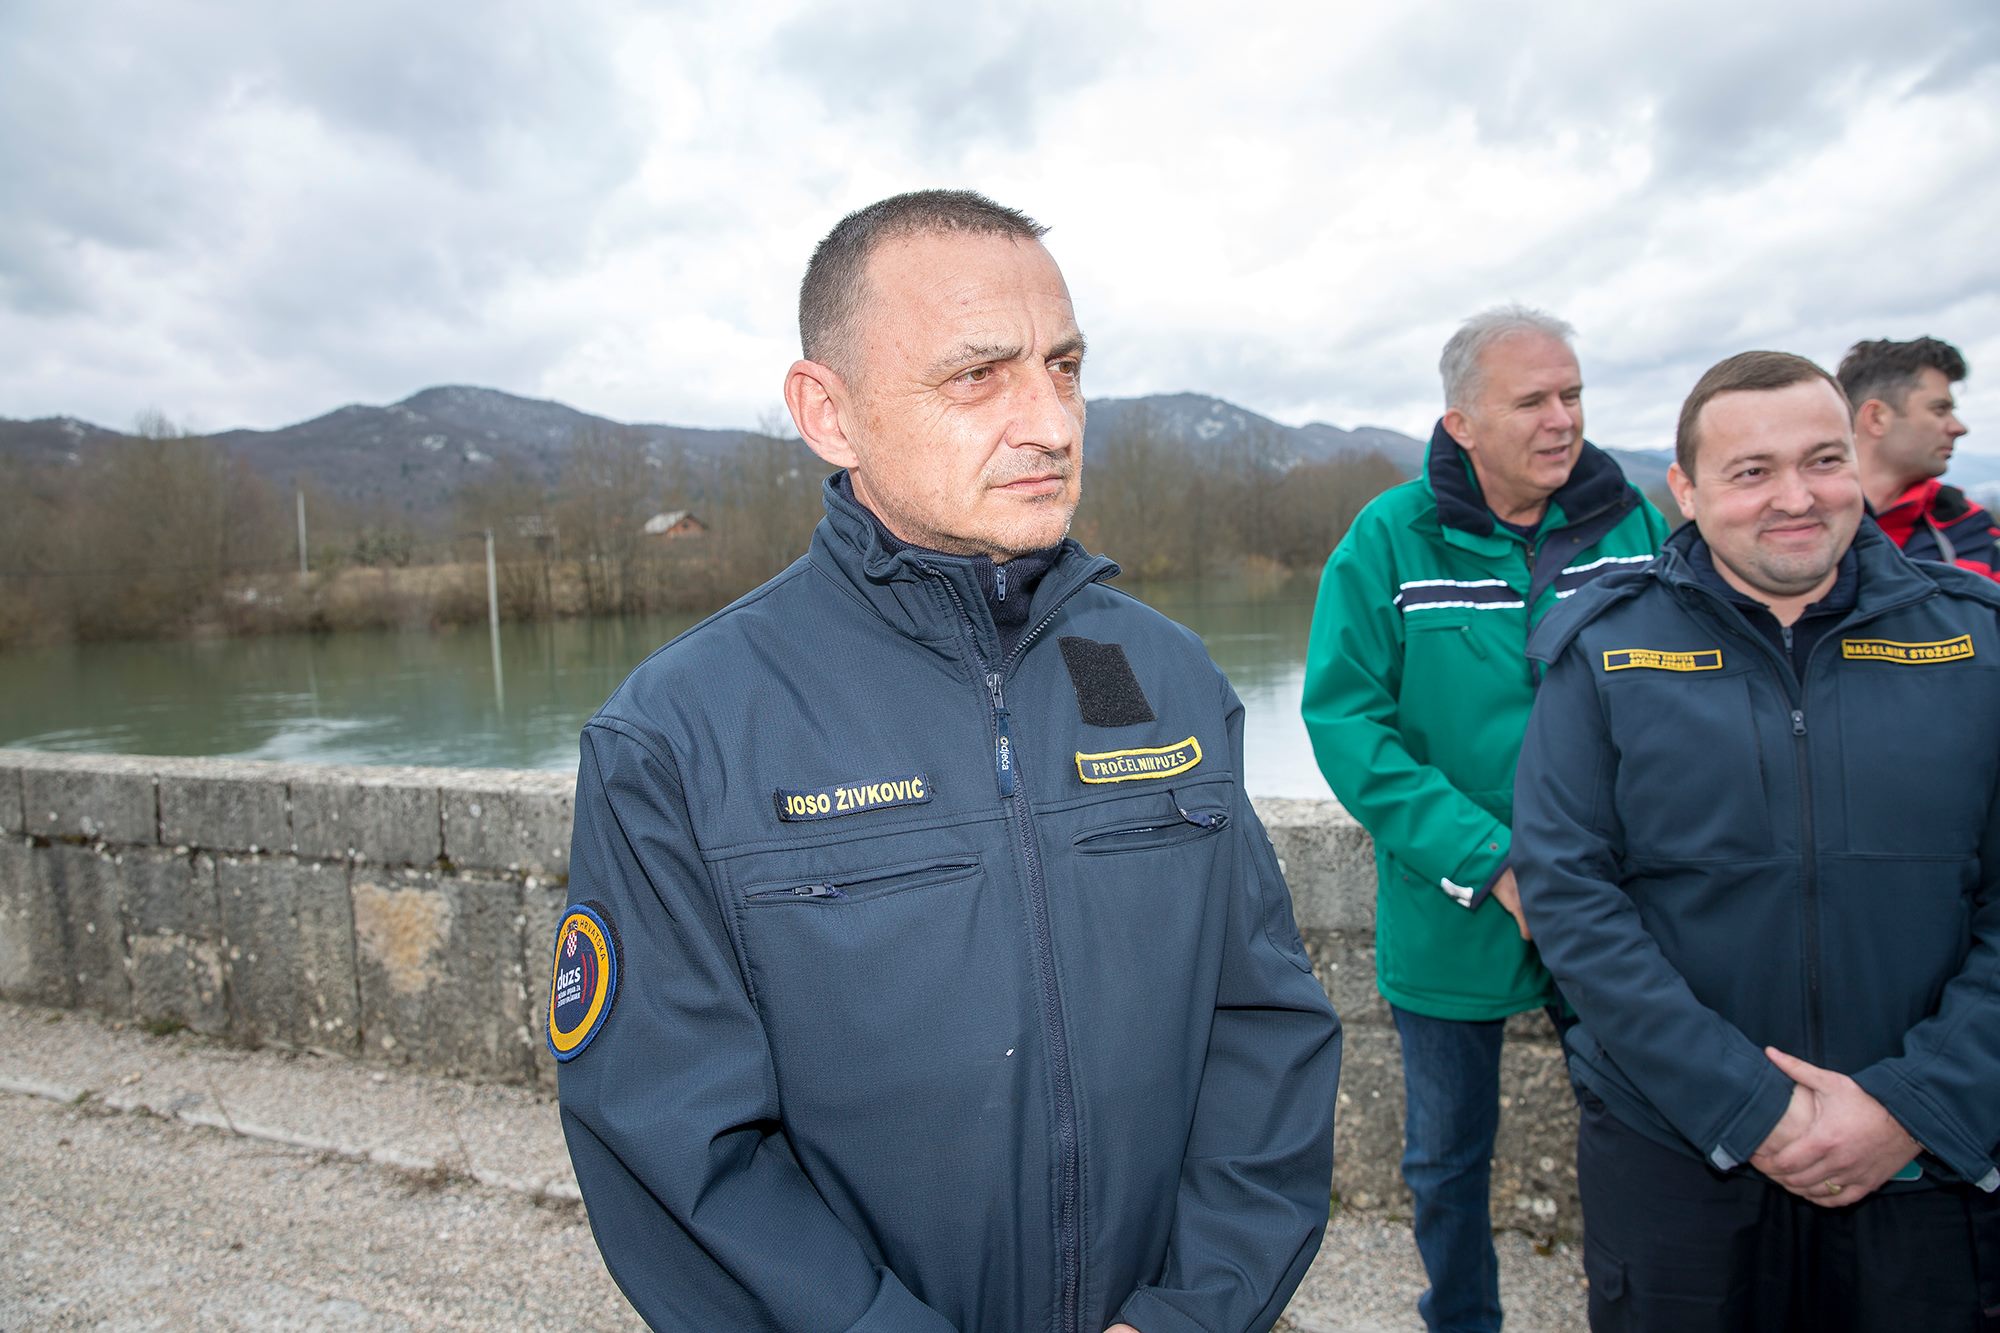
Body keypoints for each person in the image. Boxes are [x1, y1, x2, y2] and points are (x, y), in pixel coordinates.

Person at [551, 190, 1342, 1333]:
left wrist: (1192, 1310)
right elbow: (674, 1145)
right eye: (978, 375)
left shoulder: (1162, 676)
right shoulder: (680, 730)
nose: (1051, 422)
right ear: (828, 413)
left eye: (1063, 367)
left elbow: (1261, 1027)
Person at [1514, 350, 2000, 1331]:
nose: (1795, 497)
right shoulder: (1601, 652)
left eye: (1822, 460)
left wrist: (1912, 1102)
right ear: (1686, 490)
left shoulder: (1975, 644)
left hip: (1928, 1165)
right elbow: (1570, 897)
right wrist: (1751, 1109)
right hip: (1681, 1163)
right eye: (1751, 471)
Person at [1301, 306, 1667, 1332]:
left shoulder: (1631, 524)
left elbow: (1688, 693)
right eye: (1532, 401)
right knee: (1445, 1156)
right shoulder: (1388, 539)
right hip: (1451, 901)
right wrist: (1493, 860)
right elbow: (1346, 724)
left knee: (1643, 1131)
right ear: (1460, 423)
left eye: (1572, 395)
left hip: (1614, 897)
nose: (1563, 420)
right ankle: (1460, 1319)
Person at [1837, 336, 1995, 576]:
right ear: (1877, 418)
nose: (1959, 428)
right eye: (1940, 410)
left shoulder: (1966, 528)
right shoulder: (1800, 522)